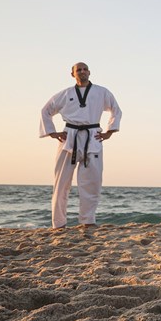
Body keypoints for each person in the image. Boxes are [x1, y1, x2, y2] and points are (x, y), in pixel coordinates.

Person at [39, 62, 122, 228]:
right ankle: (58, 224)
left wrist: (109, 132)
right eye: (78, 70)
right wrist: (52, 132)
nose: (82, 72)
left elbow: (116, 110)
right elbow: (45, 111)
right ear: (72, 74)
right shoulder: (65, 94)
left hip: (93, 137)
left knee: (92, 183)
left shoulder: (102, 92)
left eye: (85, 69)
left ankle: (88, 221)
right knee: (61, 183)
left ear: (89, 72)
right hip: (69, 138)